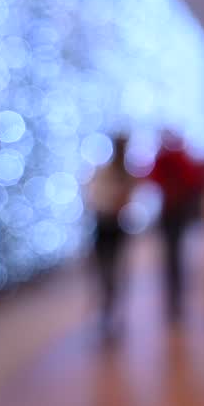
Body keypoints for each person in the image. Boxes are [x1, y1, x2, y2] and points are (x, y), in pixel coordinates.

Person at [148, 132, 204, 323]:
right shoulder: (177, 158)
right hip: (173, 211)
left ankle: (175, 295)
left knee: (172, 253)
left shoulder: (172, 158)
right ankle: (175, 295)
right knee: (174, 253)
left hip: (173, 211)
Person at [89, 136, 134, 336]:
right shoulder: (104, 171)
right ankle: (106, 307)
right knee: (104, 270)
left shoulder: (127, 173)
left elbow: (128, 198)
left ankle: (111, 308)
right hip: (103, 224)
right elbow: (95, 197)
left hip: (116, 226)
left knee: (116, 269)